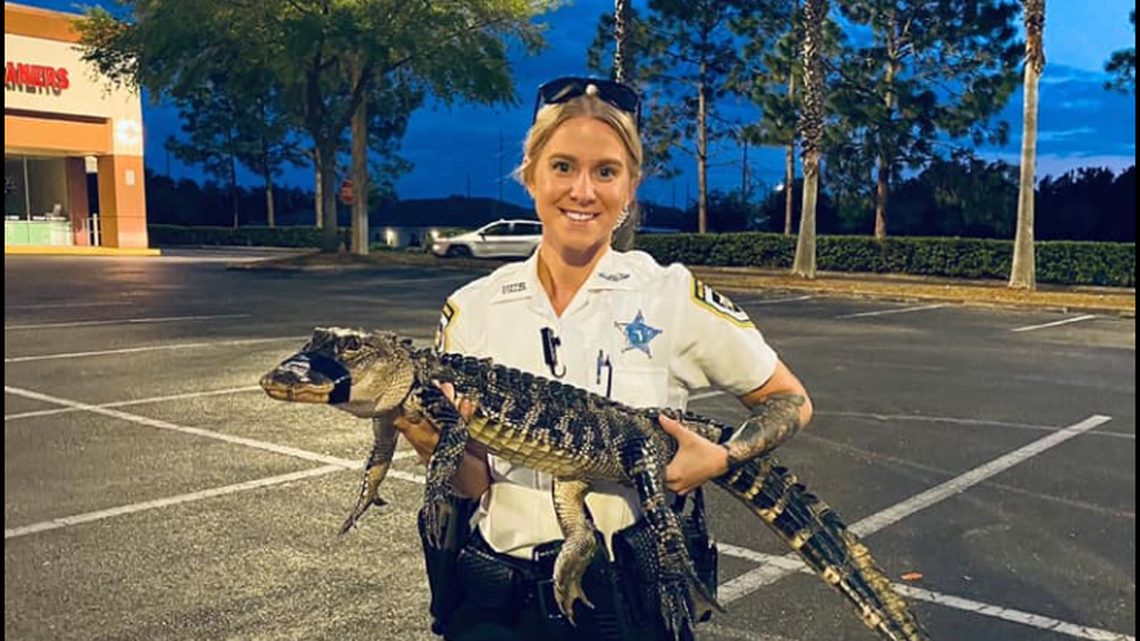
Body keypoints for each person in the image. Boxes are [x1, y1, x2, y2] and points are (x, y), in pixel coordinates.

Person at [395, 76, 813, 641]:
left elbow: (788, 399)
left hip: (629, 608)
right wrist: (427, 442)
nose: (583, 191)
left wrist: (722, 457)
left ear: (631, 185)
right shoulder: (472, 309)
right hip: (495, 609)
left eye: (606, 171)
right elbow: (475, 485)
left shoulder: (671, 295)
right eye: (563, 166)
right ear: (532, 175)